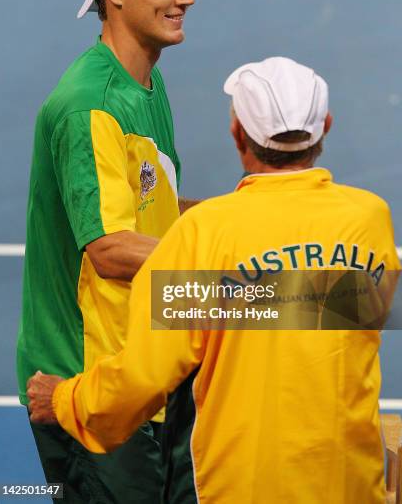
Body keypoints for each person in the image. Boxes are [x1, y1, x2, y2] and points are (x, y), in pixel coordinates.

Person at [28, 57, 400, 503]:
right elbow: (335, 307)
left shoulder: (206, 234)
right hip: (350, 486)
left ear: (238, 134)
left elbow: (144, 379)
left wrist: (68, 400)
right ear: (326, 125)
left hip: (244, 488)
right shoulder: (370, 219)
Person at [18, 0, 195, 503]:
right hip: (92, 388)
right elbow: (113, 249)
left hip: (145, 370)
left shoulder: (144, 80)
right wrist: (246, 284)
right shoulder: (89, 104)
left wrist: (249, 221)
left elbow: (156, 209)